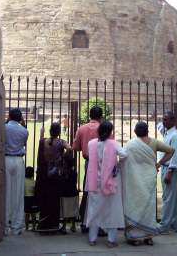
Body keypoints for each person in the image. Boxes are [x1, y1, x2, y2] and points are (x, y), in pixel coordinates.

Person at [122, 121, 174, 246]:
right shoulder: (154, 142)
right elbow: (171, 150)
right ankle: (148, 236)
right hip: (148, 179)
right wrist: (159, 163)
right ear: (147, 131)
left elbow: (122, 160)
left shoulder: (130, 144)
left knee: (134, 204)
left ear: (135, 132)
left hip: (134, 180)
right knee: (148, 206)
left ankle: (134, 237)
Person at [85, 120, 127, 247]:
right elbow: (124, 154)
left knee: (94, 210)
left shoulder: (91, 144)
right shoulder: (113, 144)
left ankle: (92, 239)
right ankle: (111, 240)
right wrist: (117, 165)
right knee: (111, 210)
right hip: (109, 182)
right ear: (110, 132)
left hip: (94, 182)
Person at [35, 122, 72, 233]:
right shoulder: (60, 142)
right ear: (59, 132)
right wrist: (61, 159)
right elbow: (70, 149)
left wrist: (42, 133)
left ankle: (43, 224)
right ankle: (53, 224)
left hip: (44, 175)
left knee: (45, 199)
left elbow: (41, 141)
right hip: (55, 175)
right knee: (54, 200)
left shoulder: (43, 141)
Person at [72, 105, 103, 233]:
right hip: (103, 163)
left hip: (89, 162)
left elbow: (75, 147)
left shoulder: (82, 128)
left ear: (90, 115)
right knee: (101, 192)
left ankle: (85, 223)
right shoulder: (104, 128)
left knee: (87, 192)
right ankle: (99, 225)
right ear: (101, 116)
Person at [157, 111, 177, 234]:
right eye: (163, 119)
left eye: (166, 119)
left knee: (168, 198)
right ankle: (175, 224)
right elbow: (159, 126)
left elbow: (175, 155)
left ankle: (164, 225)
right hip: (165, 168)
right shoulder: (167, 133)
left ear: (173, 121)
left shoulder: (175, 136)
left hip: (170, 169)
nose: (163, 121)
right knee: (172, 197)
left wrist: (170, 172)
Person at [4, 108, 29, 236]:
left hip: (6, 159)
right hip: (18, 161)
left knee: (5, 191)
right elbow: (23, 144)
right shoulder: (24, 131)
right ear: (20, 118)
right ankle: (17, 225)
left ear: (9, 116)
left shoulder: (4, 128)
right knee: (18, 193)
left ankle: (4, 224)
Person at [60, 152, 79, 234]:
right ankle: (73, 226)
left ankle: (64, 226)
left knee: (65, 211)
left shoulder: (63, 173)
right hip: (73, 192)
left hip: (65, 193)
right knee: (73, 210)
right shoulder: (74, 172)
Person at [24, 166, 39, 231]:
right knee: (33, 214)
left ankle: (26, 227)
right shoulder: (34, 182)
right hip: (33, 199)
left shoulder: (23, 181)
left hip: (26, 198)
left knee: (27, 214)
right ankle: (33, 227)